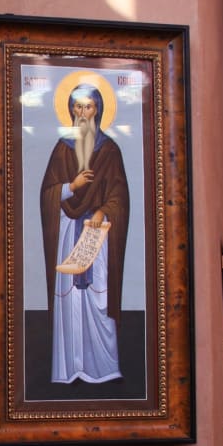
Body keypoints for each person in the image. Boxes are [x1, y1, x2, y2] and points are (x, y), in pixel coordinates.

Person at [39, 82, 129, 384]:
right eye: (77, 106)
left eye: (88, 106)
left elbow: (120, 197)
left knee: (97, 300)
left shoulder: (110, 151)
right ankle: (70, 369)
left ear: (97, 110)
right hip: (68, 235)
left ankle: (103, 369)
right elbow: (47, 194)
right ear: (70, 110)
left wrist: (103, 211)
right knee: (70, 303)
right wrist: (71, 186)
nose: (82, 113)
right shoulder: (62, 148)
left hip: (97, 236)